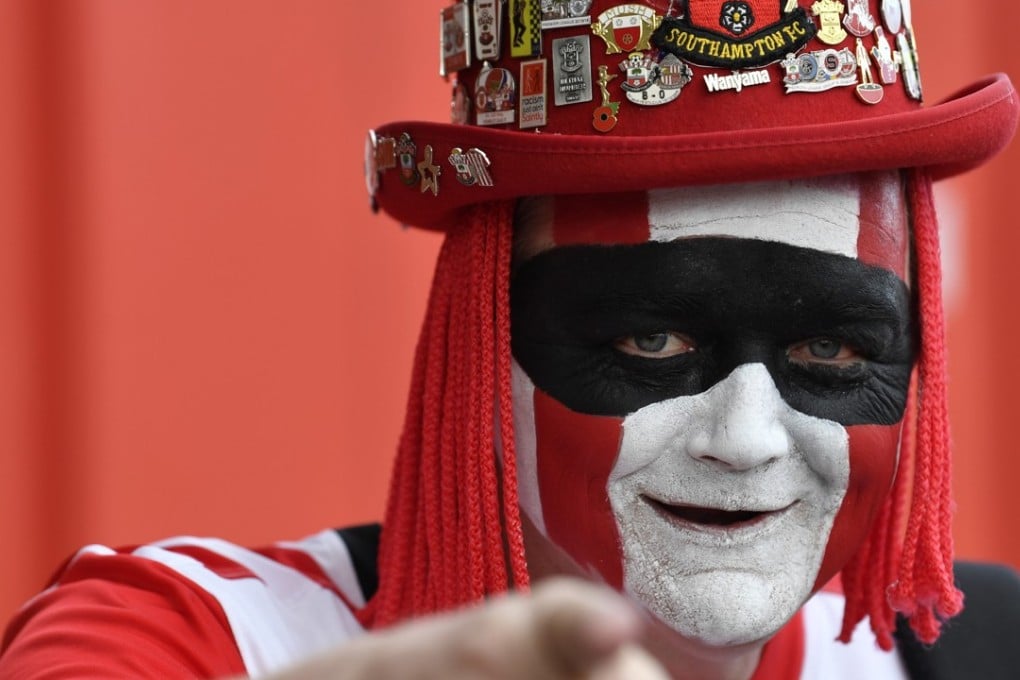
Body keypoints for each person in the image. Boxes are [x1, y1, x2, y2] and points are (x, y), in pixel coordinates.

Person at [3, 1, 1020, 678]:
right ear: (478, 337)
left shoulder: (971, 649)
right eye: (653, 336)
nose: (747, 438)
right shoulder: (200, 636)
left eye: (833, 352)